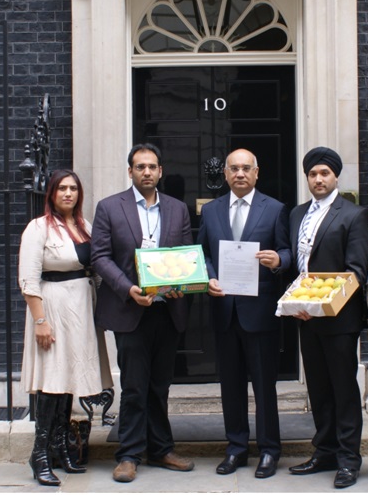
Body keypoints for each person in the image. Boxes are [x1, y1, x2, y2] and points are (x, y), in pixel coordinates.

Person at [91, 143, 195, 483]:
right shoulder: (109, 207)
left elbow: (182, 254)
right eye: (140, 167)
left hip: (166, 311)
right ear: (130, 172)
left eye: (152, 166)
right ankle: (129, 454)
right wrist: (127, 289)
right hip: (129, 310)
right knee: (135, 386)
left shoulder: (177, 209)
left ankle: (161, 449)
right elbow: (100, 257)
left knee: (160, 386)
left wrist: (182, 283)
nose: (146, 172)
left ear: (160, 171)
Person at [197, 148, 292, 479]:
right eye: (234, 168)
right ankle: (236, 448)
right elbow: (203, 252)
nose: (239, 174)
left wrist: (279, 261)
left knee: (265, 386)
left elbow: (287, 251)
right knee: (231, 385)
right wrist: (208, 274)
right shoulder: (210, 211)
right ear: (225, 174)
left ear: (256, 173)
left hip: (260, 311)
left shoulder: (276, 209)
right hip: (225, 310)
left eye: (245, 168)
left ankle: (269, 450)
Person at [19, 169, 113, 487]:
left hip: (81, 311)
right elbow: (29, 280)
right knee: (51, 381)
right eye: (62, 189)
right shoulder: (38, 228)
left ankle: (60, 446)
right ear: (51, 194)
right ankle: (40, 454)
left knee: (68, 380)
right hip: (53, 309)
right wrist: (40, 321)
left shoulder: (84, 226)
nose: (68, 194)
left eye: (73, 188)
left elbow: (98, 266)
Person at [288, 147, 368, 489]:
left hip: (339, 319)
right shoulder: (296, 215)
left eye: (324, 173)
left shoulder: (354, 215)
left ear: (335, 176)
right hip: (305, 317)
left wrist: (322, 302)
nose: (318, 179)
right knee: (319, 389)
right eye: (312, 174)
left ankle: (348, 459)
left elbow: (356, 271)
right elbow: (296, 267)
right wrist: (298, 303)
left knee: (343, 389)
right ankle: (324, 451)